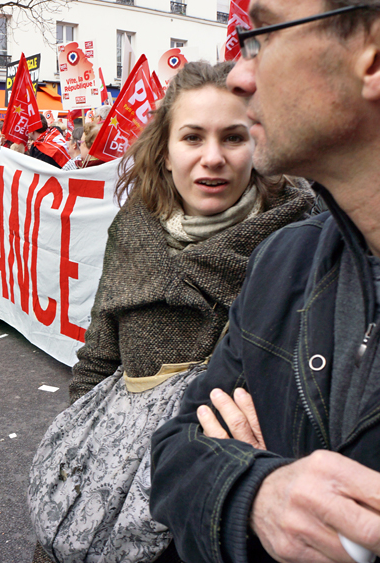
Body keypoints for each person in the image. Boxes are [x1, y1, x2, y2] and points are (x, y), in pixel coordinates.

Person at [150, 3, 380, 563]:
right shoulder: (286, 259)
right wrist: (255, 493)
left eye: (260, 38)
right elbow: (176, 453)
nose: (238, 74)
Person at [31, 60, 314, 563]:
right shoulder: (133, 229)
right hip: (114, 490)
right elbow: (99, 356)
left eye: (233, 137)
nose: (212, 158)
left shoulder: (305, 240)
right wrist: (89, 455)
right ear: (164, 152)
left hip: (234, 509)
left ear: (259, 146)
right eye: (192, 138)